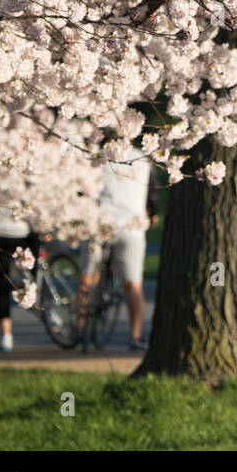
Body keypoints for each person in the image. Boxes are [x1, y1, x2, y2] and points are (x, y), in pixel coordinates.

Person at [76, 147, 158, 353]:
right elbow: (152, 193)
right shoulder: (143, 159)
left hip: (99, 222)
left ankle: (80, 330)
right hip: (132, 225)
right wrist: (152, 213)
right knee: (133, 283)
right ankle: (136, 336)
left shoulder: (96, 154)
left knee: (88, 278)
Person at [0, 207, 40, 352]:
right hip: (23, 234)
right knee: (33, 271)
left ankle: (6, 335)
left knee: (1, 280)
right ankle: (35, 290)